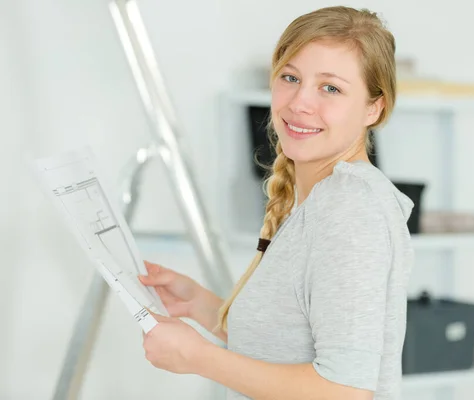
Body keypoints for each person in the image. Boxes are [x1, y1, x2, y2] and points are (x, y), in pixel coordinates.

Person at [138, 5, 415, 400]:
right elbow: (287, 344)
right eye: (290, 77)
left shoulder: (351, 209)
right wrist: (200, 304)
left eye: (330, 87)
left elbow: (344, 392)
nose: (299, 102)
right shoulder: (322, 198)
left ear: (374, 107)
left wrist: (198, 357)